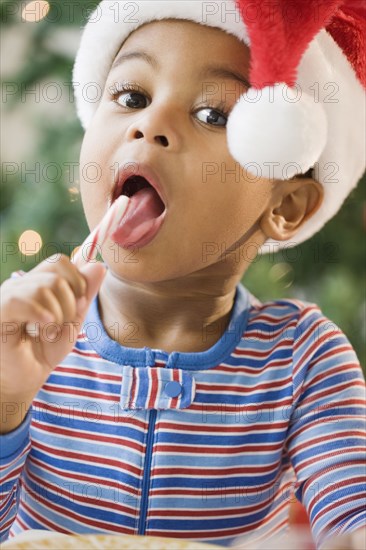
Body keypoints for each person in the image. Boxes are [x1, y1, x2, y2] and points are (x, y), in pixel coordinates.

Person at [1, 1, 365, 548]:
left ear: (286, 205)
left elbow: (352, 525)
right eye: (132, 97)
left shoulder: (301, 359)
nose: (151, 125)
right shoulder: (19, 333)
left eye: (213, 114)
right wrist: (9, 398)